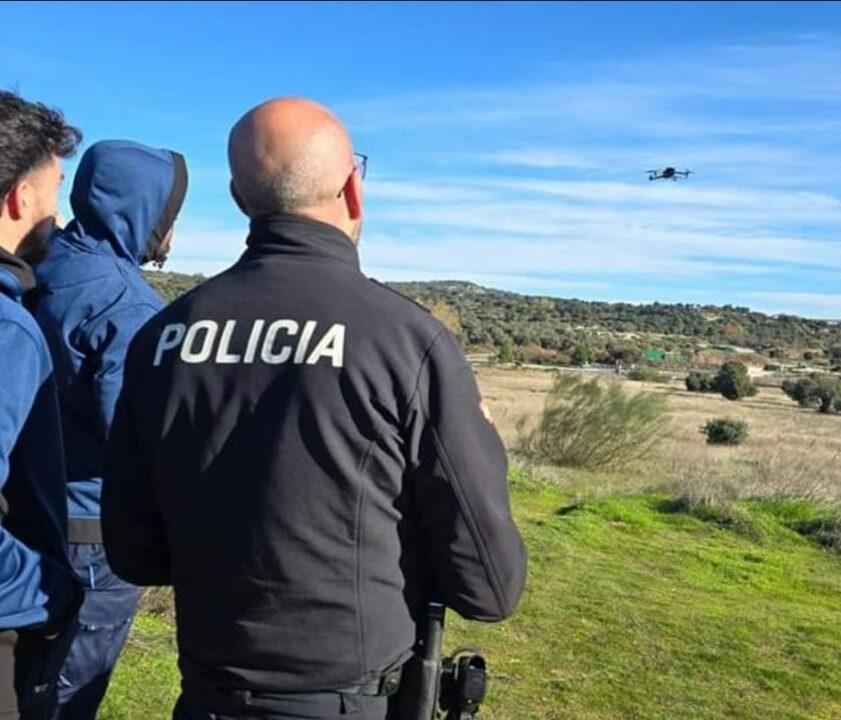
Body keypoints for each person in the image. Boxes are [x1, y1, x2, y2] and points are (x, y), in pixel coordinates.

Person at [102, 97, 527, 720]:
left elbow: (136, 552)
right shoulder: (406, 342)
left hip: (206, 695)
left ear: (240, 197)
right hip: (348, 700)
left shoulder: (162, 338)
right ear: (354, 189)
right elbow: (489, 587)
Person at [30, 139, 188, 719]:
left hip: (20, 509)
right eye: (171, 216)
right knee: (69, 689)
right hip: (89, 531)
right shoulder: (126, 308)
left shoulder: (37, 264)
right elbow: (134, 439)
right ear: (145, 211)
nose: (172, 233)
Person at [0, 90, 85, 719]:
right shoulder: (8, 331)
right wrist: (48, 593)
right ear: (18, 198)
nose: (60, 212)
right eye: (55, 188)